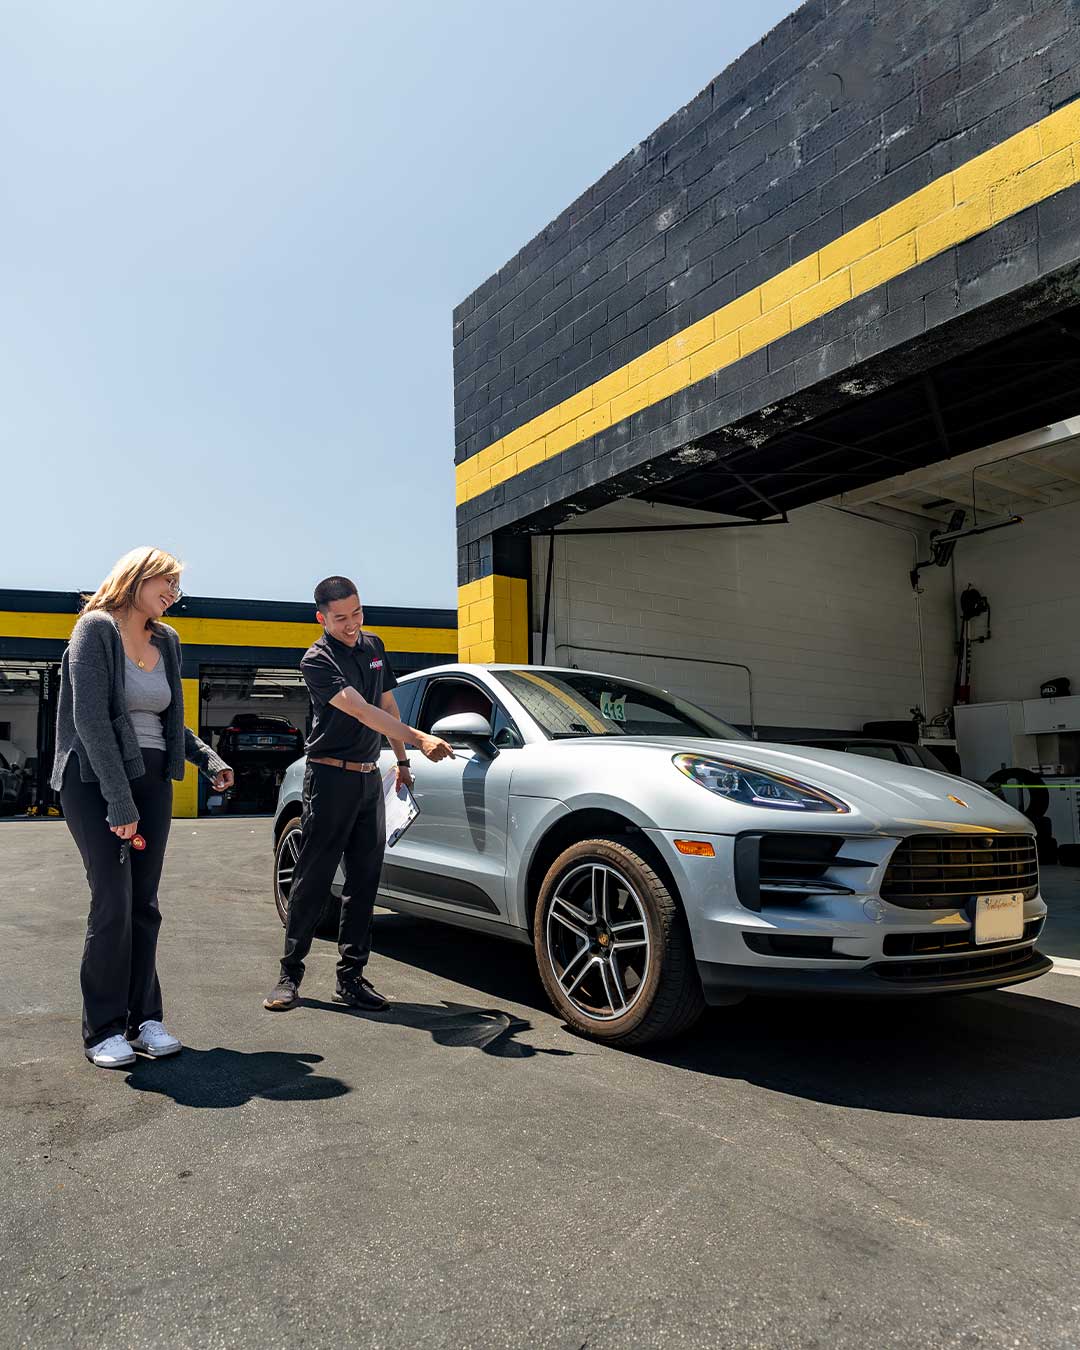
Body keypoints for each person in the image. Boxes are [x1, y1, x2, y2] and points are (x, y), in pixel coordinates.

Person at [51, 547, 234, 1068]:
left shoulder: (168, 641)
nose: (173, 595)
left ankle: (144, 1018)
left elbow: (171, 719)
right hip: (93, 778)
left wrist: (207, 758)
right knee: (112, 899)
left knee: (143, 902)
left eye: (178, 587)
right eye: (167, 583)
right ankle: (103, 1029)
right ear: (136, 577)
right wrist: (117, 797)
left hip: (153, 781)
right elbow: (90, 719)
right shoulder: (95, 630)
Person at [263, 575, 453, 1013]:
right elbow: (361, 710)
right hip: (328, 781)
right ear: (322, 618)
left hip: (370, 779)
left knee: (364, 882)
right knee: (312, 882)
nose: (352, 625)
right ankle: (289, 975)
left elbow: (386, 705)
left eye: (357, 613)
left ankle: (351, 979)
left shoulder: (374, 646)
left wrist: (402, 762)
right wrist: (423, 737)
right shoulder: (317, 660)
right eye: (341, 618)